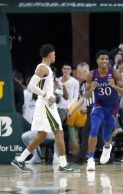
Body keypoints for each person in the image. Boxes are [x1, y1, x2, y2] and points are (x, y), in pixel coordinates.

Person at [11, 44, 78, 173]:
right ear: (49, 54)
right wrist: (47, 95)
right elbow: (31, 86)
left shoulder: (46, 69)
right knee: (59, 132)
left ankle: (19, 160)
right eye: (54, 53)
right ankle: (63, 164)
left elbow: (43, 87)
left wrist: (54, 89)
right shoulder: (43, 68)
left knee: (41, 135)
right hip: (46, 105)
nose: (55, 55)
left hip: (45, 104)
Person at [85, 50, 123, 171]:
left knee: (106, 134)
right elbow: (86, 96)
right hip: (99, 105)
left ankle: (107, 147)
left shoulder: (114, 73)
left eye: (106, 59)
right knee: (94, 128)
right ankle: (91, 159)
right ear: (97, 61)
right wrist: (91, 89)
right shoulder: (92, 75)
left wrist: (114, 86)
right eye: (102, 59)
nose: (104, 61)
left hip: (112, 107)